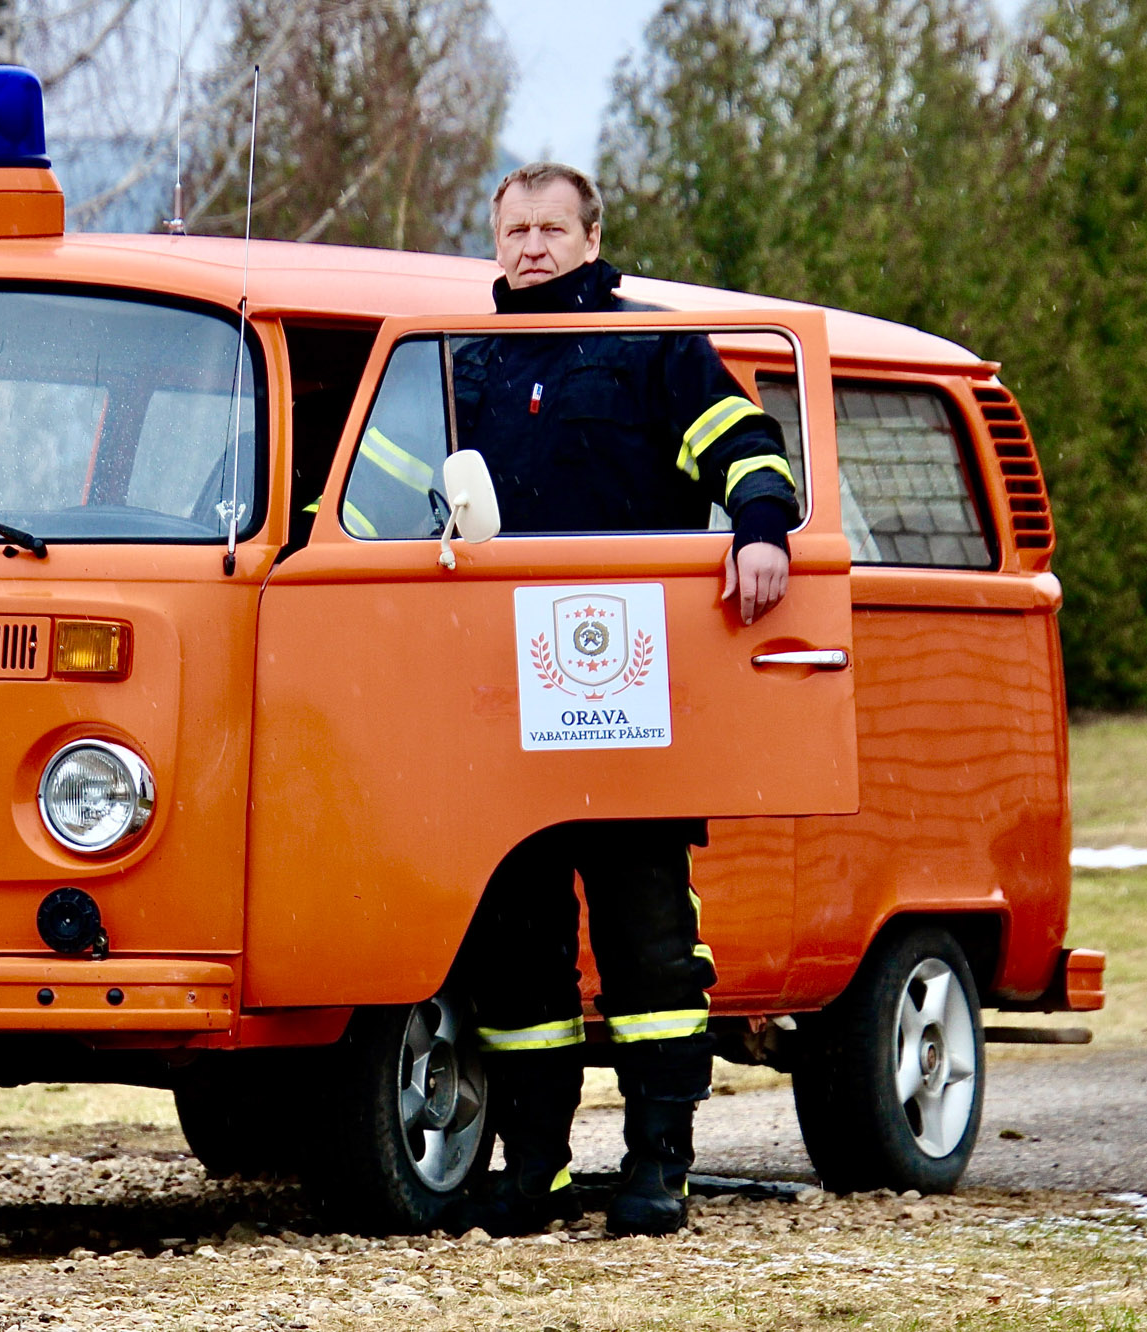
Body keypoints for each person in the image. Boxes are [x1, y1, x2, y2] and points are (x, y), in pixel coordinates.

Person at [448, 163, 799, 1239]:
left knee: (650, 948)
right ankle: (536, 1171)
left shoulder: (654, 349)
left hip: (628, 690)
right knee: (517, 945)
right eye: (516, 230)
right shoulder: (457, 364)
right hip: (499, 700)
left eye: (554, 227)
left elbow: (744, 448)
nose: (533, 247)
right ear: (495, 241)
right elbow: (376, 484)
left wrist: (760, 529)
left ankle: (658, 1170)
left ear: (594, 236)